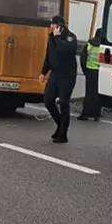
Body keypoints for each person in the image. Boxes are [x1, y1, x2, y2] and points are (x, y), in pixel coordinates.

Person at [39, 15, 78, 143]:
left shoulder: (70, 37)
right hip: (55, 74)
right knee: (48, 100)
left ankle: (63, 134)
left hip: (67, 76)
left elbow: (64, 50)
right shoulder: (51, 37)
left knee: (64, 103)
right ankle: (60, 126)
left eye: (52, 25)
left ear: (59, 26)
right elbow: (49, 56)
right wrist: (43, 72)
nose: (50, 27)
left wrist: (57, 37)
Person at [78, 28, 104, 121]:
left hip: (89, 71)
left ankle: (85, 114)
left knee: (88, 93)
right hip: (99, 73)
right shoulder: (103, 46)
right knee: (97, 94)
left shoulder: (89, 44)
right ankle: (96, 115)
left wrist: (85, 71)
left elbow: (83, 59)